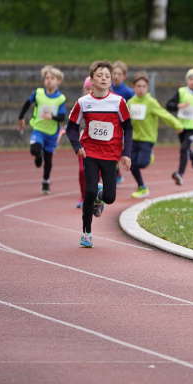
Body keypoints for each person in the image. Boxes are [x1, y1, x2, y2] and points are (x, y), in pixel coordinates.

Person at [66, 61, 133, 248]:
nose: (104, 78)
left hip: (111, 155)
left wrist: (126, 154)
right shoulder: (83, 103)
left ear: (111, 80)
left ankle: (101, 194)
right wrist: (76, 146)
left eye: (107, 76)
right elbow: (71, 127)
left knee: (110, 198)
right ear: (92, 79)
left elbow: (128, 128)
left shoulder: (118, 102)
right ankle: (86, 232)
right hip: (90, 153)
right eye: (100, 75)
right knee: (89, 191)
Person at [127, 72, 183, 198]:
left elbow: (164, 114)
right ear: (134, 87)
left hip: (147, 139)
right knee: (131, 164)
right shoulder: (130, 103)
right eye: (138, 86)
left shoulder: (151, 102)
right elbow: (124, 121)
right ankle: (142, 187)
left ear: (147, 88)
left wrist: (177, 124)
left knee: (142, 163)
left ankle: (149, 156)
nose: (141, 89)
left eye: (143, 86)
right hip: (133, 138)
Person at [17, 65, 67, 195]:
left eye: (52, 78)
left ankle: (46, 180)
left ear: (58, 81)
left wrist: (52, 116)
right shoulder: (38, 93)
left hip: (52, 132)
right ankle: (38, 156)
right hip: (38, 129)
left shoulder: (60, 98)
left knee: (49, 160)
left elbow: (62, 117)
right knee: (35, 149)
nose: (49, 80)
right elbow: (27, 103)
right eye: (47, 78)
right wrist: (21, 117)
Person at [75, 77, 93, 208]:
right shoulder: (80, 104)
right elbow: (72, 123)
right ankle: (83, 196)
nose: (89, 91)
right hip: (83, 143)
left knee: (96, 173)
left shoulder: (105, 105)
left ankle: (95, 198)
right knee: (82, 171)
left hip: (99, 146)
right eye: (87, 89)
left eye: (92, 89)